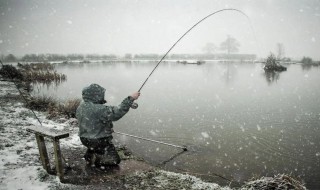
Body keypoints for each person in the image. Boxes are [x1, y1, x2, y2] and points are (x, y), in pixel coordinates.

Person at [76, 83, 140, 169]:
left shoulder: (81, 107)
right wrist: (130, 98)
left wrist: (106, 128)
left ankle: (90, 154)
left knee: (93, 144)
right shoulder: (99, 109)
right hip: (98, 141)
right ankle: (98, 161)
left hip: (84, 139)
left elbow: (93, 121)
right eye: (101, 94)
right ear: (96, 95)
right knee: (114, 161)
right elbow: (117, 112)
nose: (103, 96)